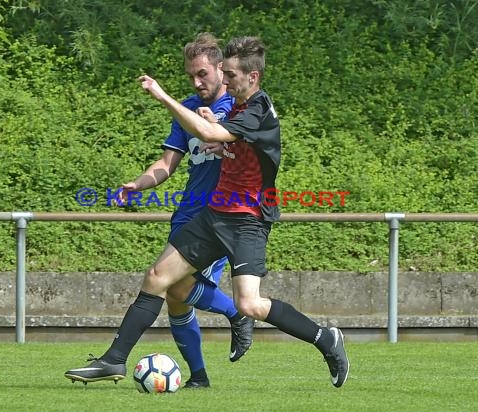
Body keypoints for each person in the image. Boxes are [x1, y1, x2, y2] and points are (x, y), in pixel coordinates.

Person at [64, 36, 350, 388]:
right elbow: (224, 139)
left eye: (229, 75)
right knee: (157, 277)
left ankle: (325, 339)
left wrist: (163, 96)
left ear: (252, 78)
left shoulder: (259, 109)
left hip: (248, 220)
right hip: (214, 215)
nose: (225, 82)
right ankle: (114, 361)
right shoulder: (240, 107)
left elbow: (210, 131)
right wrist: (219, 144)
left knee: (250, 305)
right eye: (223, 75)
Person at [65, 33, 254, 389]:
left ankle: (235, 314)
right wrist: (138, 184)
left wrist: (168, 99)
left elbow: (223, 139)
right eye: (190, 76)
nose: (197, 82)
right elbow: (168, 163)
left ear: (220, 68)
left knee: (165, 281)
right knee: (176, 299)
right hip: (187, 212)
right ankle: (199, 377)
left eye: (203, 74)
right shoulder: (187, 107)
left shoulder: (239, 106)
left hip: (218, 216)